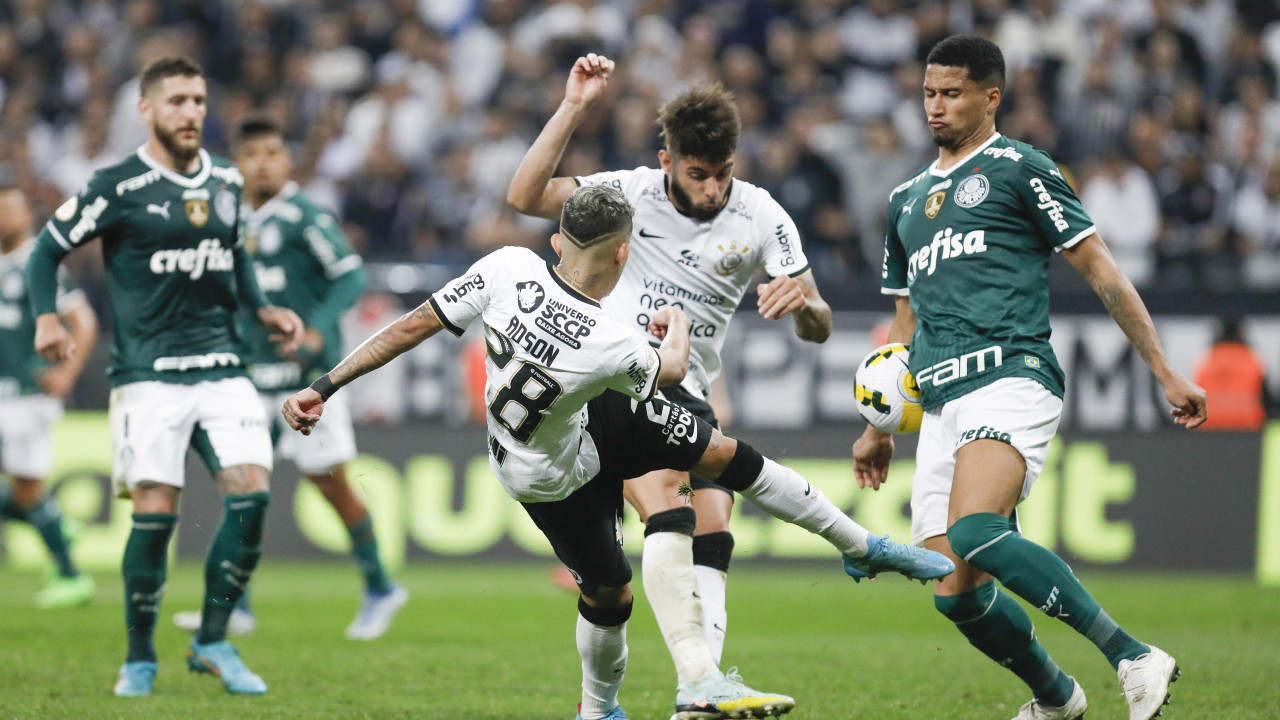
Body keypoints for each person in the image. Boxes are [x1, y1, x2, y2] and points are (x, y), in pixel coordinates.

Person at [283, 185, 953, 720]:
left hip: (551, 431)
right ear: (624, 253)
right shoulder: (611, 343)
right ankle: (602, 710)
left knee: (716, 454)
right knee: (611, 593)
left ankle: (858, 546)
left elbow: (411, 325)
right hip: (558, 476)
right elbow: (669, 369)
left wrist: (323, 386)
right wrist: (677, 325)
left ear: (555, 240)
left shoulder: (507, 266)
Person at [852, 35, 1207, 720]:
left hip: (1010, 372)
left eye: (951, 93)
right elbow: (904, 323)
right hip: (942, 401)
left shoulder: (1021, 168)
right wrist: (878, 427)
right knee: (954, 591)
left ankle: (1132, 655)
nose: (935, 106)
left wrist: (1163, 369)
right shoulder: (904, 201)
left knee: (977, 530)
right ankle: (1057, 700)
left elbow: (1101, 268)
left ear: (992, 96)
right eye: (928, 92)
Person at [508, 54, 836, 675]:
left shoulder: (762, 214)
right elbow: (525, 196)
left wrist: (808, 304)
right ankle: (700, 680)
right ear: (666, 162)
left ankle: (699, 690)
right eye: (698, 174)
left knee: (712, 533)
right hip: (620, 383)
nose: (713, 189)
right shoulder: (628, 193)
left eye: (723, 174)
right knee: (670, 512)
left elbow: (817, 330)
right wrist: (575, 106)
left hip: (691, 388)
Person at [26, 56, 304, 698]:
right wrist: (47, 319)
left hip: (221, 366)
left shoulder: (227, 181)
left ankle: (211, 639)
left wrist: (261, 306)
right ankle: (139, 656)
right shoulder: (117, 184)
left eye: (199, 100)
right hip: (148, 374)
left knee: (252, 494)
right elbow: (46, 250)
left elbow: (233, 254)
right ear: (146, 109)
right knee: (156, 510)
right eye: (177, 101)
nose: (191, 113)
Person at [171, 117, 407, 641]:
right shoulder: (227, 219)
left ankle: (380, 586)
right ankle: (237, 606)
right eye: (251, 153)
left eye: (272, 152)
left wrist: (321, 329)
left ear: (287, 161)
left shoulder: (304, 217)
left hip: (307, 381)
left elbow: (350, 275)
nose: (262, 162)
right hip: (249, 377)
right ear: (237, 163)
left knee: (332, 486)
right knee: (241, 488)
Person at [0, 183, 98, 609]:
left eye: (12, 209)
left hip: (27, 397)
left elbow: (85, 321)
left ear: (27, 217)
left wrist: (68, 371)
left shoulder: (40, 265)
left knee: (26, 488)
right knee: (28, 493)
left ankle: (71, 574)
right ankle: (52, 522)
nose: (5, 217)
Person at [1193, 316, 1272, 431]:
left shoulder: (1204, 361)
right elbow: (1267, 401)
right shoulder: (1252, 359)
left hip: (1209, 430)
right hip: (1248, 430)